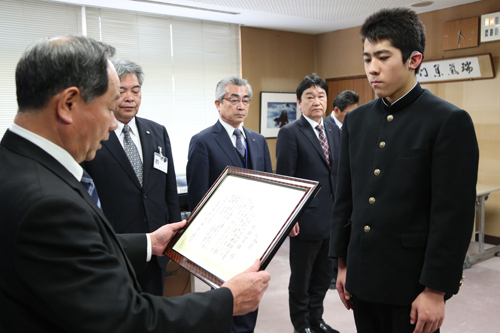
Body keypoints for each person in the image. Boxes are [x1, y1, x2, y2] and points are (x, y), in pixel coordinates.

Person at [0, 35, 270, 332]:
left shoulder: (17, 163)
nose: (114, 123)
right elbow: (123, 319)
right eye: (107, 108)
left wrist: (148, 242)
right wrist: (227, 299)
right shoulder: (47, 204)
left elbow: (69, 252)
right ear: (68, 104)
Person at [329, 8, 479, 333]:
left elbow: (452, 214)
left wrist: (436, 290)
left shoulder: (447, 121)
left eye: (383, 57)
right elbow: (346, 197)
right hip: (361, 274)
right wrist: (342, 264)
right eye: (367, 58)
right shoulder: (356, 121)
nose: (372, 69)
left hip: (411, 283)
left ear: (414, 59)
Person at [82, 59, 180, 296]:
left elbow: (169, 188)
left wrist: (176, 236)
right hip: (117, 245)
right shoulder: (93, 135)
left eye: (135, 91)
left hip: (159, 245)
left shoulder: (157, 131)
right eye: (122, 91)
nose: (130, 98)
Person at [186, 76, 273, 333]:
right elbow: (198, 195)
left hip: (255, 235)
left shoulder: (257, 140)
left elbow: (269, 185)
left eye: (245, 100)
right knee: (227, 299)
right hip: (222, 237)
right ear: (218, 103)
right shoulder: (202, 141)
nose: (241, 105)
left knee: (251, 295)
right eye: (233, 99)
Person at [276, 74, 341, 333]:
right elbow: (285, 180)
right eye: (310, 97)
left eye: (321, 96)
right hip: (305, 220)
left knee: (323, 277)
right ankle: (301, 326)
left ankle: (317, 320)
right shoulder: (290, 133)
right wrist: (290, 218)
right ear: (299, 103)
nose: (316, 101)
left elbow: (338, 174)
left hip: (332, 219)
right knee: (301, 279)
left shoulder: (335, 130)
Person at [324, 89, 359, 290]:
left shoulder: (352, 127)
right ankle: (332, 274)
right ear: (337, 110)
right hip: (330, 192)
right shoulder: (326, 127)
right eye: (349, 113)